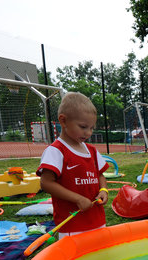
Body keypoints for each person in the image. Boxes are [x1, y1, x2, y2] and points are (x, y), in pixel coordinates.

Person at [37, 92, 109, 239]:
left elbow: (100, 175)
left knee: (100, 251)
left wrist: (103, 190)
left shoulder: (92, 151)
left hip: (97, 220)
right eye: (83, 127)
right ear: (63, 121)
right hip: (72, 225)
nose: (88, 133)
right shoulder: (56, 151)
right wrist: (78, 199)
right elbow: (46, 183)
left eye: (91, 128)